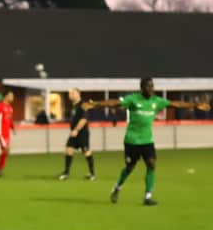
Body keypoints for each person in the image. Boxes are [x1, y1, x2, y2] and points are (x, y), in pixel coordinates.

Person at [85, 77, 210, 205]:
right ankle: (117, 188)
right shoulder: (133, 99)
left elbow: (176, 104)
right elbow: (115, 103)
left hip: (147, 141)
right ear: (142, 88)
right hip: (132, 140)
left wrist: (196, 105)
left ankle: (147, 197)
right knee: (130, 167)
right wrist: (95, 104)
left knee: (151, 164)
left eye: (152, 86)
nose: (151, 89)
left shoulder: (157, 101)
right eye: (148, 86)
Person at [58, 88, 96, 181]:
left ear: (78, 94)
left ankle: (92, 174)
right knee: (69, 149)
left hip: (82, 133)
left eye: (73, 93)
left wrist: (76, 130)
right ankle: (66, 173)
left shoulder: (83, 105)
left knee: (86, 152)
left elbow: (84, 119)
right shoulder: (74, 106)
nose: (71, 95)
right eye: (70, 93)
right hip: (74, 133)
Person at [0, 91, 16, 177]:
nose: (12, 98)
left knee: (6, 151)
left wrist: (12, 128)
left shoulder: (10, 108)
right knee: (6, 149)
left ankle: (0, 167)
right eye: (11, 96)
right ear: (6, 96)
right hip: (0, 132)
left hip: (7, 132)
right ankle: (0, 168)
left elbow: (10, 120)